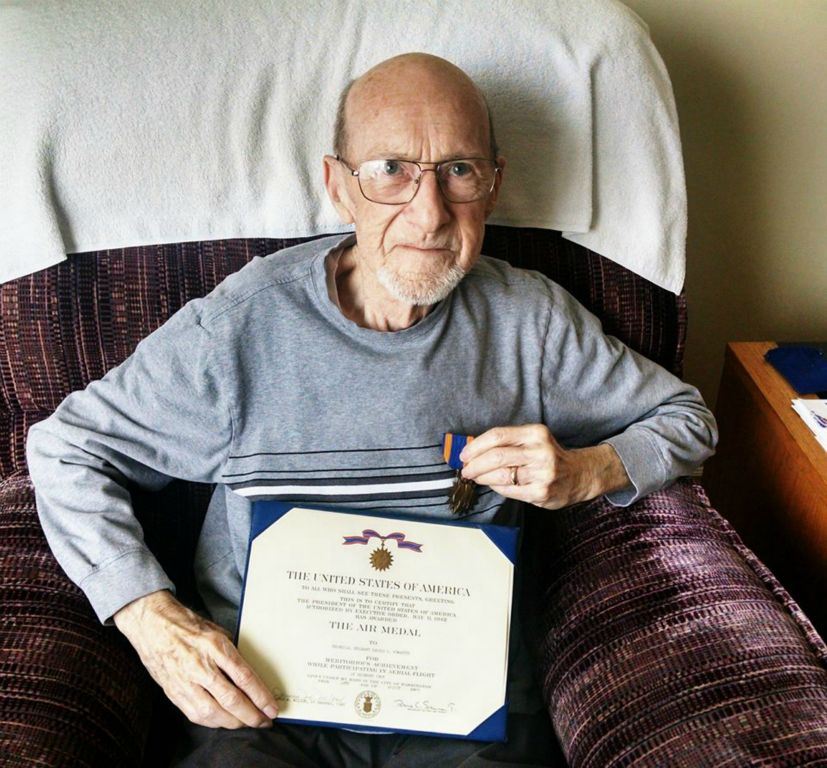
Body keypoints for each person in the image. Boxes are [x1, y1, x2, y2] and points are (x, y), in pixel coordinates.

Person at [26, 53, 717, 767]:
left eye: (458, 171)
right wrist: (149, 616)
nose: (428, 212)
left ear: (494, 184)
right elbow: (65, 448)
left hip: (462, 710)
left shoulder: (527, 321)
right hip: (266, 711)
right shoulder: (236, 333)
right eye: (390, 169)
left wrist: (589, 469)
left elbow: (687, 419)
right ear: (337, 186)